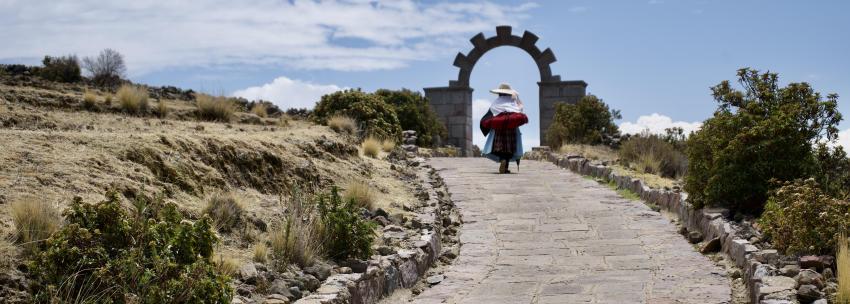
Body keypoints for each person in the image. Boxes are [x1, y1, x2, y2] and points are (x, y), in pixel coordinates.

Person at [480, 83, 528, 174]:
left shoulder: (496, 103)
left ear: (499, 93)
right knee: (509, 147)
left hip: (499, 130)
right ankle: (505, 167)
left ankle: (502, 160)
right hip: (511, 129)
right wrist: (516, 98)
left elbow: (489, 115)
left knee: (499, 147)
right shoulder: (512, 103)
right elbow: (520, 109)